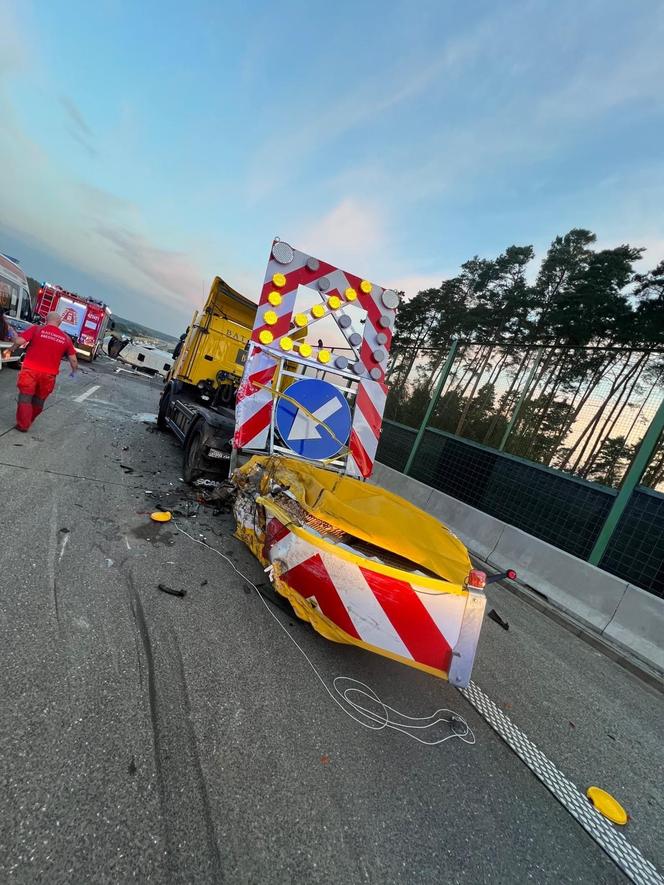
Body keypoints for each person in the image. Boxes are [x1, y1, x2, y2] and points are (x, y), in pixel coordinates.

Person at [12, 311, 78, 432]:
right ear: (60, 323)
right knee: (39, 400)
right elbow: (73, 360)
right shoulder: (66, 338)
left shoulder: (36, 329)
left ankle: (23, 424)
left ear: (46, 320)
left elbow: (19, 341)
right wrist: (74, 372)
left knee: (25, 397)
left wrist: (12, 348)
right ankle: (28, 420)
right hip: (49, 375)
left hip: (30, 370)